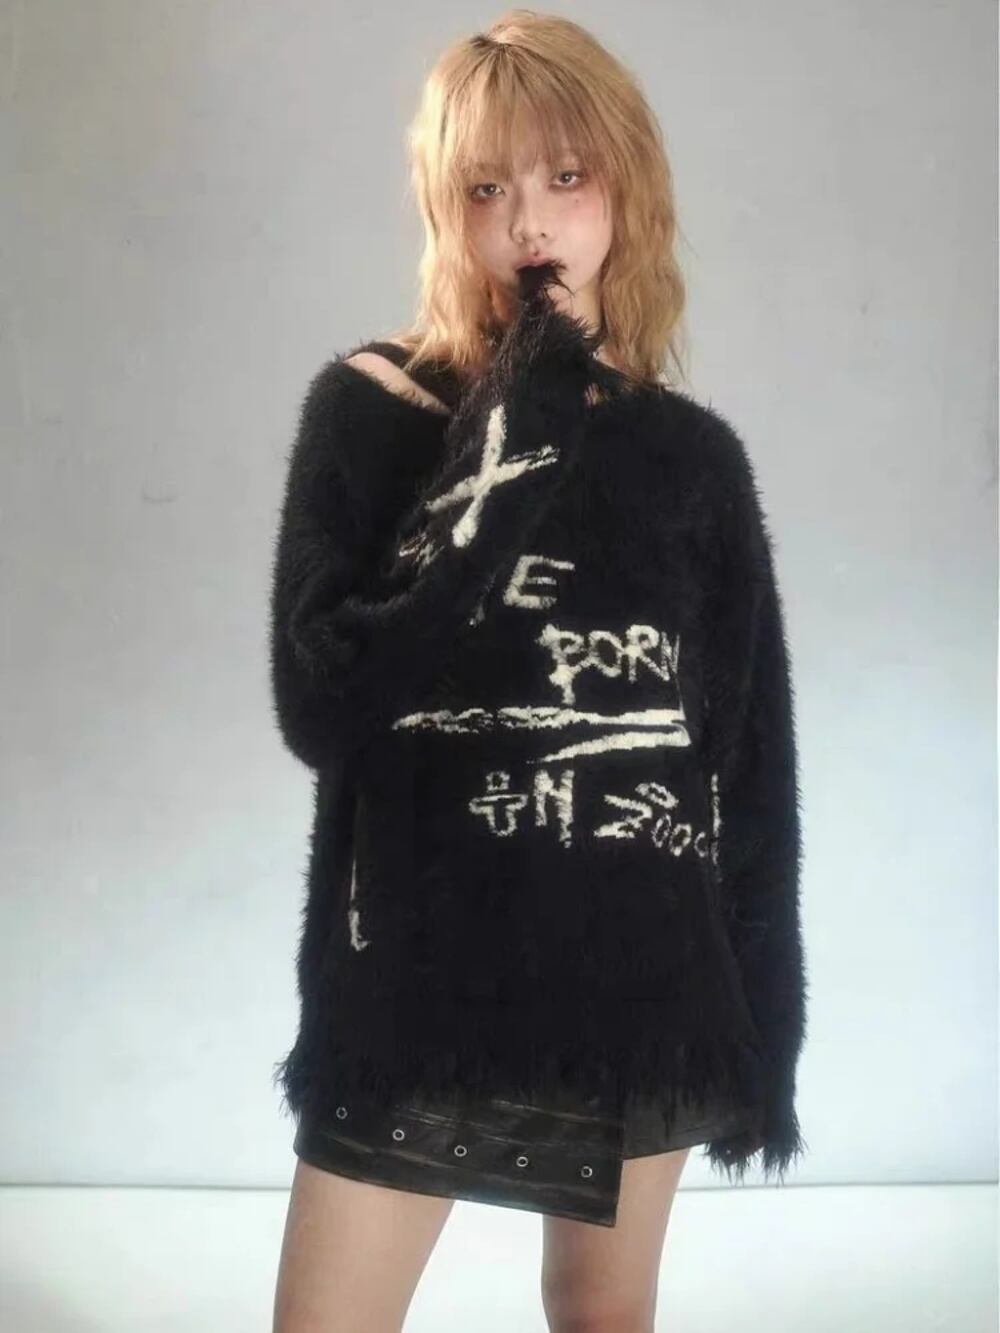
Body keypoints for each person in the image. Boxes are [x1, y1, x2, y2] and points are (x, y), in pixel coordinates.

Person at [270, 11, 807, 1332]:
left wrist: (766, 1031)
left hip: (645, 972)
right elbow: (326, 700)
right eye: (484, 188)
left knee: (604, 1315)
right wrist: (518, 423)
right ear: (440, 208)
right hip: (422, 984)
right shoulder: (377, 406)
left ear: (628, 185)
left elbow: (746, 761)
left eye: (567, 176)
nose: (529, 223)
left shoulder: (692, 458)